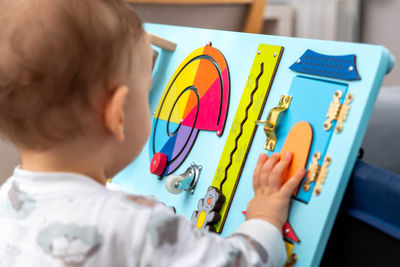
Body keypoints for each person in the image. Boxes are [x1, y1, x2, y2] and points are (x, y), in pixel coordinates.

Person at [0, 0, 305, 266]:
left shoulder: (7, 202)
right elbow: (242, 262)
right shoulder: (134, 224)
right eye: (148, 93)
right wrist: (264, 216)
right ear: (117, 114)